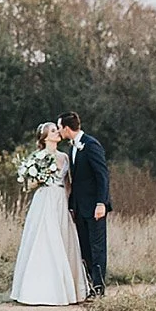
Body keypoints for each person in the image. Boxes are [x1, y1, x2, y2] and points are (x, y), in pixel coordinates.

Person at [10, 122, 91, 305]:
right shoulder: (38, 157)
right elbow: (29, 185)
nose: (57, 133)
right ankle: (40, 289)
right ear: (45, 137)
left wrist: (70, 204)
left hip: (60, 199)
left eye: (57, 129)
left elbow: (68, 183)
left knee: (63, 240)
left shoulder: (64, 157)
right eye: (53, 131)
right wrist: (39, 177)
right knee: (45, 239)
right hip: (44, 199)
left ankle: (66, 288)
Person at [59, 111, 111, 295]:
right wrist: (72, 205)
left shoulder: (90, 145)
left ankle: (99, 288)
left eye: (60, 128)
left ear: (66, 128)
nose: (59, 132)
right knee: (85, 248)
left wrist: (101, 203)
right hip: (80, 208)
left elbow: (102, 176)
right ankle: (90, 285)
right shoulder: (72, 148)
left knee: (97, 248)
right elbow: (76, 182)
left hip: (95, 207)